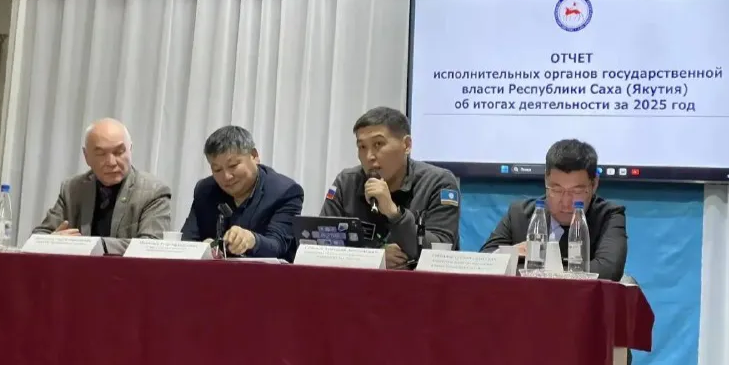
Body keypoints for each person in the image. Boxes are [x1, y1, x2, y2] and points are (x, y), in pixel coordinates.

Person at [320, 106, 460, 269]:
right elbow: (322, 245)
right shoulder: (347, 182)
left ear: (406, 145)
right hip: (358, 283)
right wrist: (375, 257)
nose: (369, 156)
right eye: (362, 147)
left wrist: (394, 214)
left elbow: (440, 254)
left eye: (378, 144)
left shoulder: (438, 183)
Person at [480, 138, 627, 281]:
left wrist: (536, 266)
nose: (566, 202)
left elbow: (608, 270)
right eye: (556, 190)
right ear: (546, 180)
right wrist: (511, 254)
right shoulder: (520, 214)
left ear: (594, 184)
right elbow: (484, 262)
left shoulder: (608, 216)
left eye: (576, 191)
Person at [33, 118, 172, 254]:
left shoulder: (154, 192)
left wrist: (91, 244)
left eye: (119, 152)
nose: (111, 162)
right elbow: (39, 236)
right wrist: (52, 240)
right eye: (101, 154)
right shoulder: (73, 188)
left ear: (130, 150)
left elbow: (151, 245)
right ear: (86, 156)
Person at [181, 125, 304, 261]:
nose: (226, 177)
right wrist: (203, 247)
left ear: (254, 156)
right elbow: (187, 240)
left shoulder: (285, 191)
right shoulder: (205, 190)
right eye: (217, 169)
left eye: (233, 166)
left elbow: (278, 245)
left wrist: (252, 240)